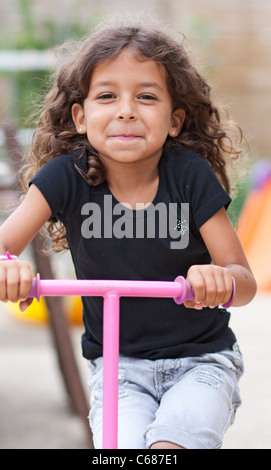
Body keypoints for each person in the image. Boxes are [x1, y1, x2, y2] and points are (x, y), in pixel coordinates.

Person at [0, 18, 257, 449]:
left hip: (201, 360)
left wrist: (221, 279)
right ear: (80, 117)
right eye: (107, 96)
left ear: (174, 121)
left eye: (146, 97)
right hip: (118, 367)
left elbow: (244, 281)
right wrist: (9, 270)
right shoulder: (66, 177)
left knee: (171, 447)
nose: (126, 110)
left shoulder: (189, 177)